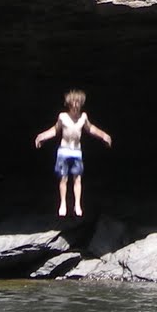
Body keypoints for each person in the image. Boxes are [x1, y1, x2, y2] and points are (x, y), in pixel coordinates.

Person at [33, 89, 113, 218]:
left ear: (81, 104)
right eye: (73, 103)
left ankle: (77, 204)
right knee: (63, 178)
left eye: (78, 103)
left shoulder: (83, 117)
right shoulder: (63, 117)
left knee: (77, 178)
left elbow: (91, 128)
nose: (76, 105)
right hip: (64, 150)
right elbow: (55, 130)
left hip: (76, 151)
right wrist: (42, 136)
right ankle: (63, 203)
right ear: (69, 104)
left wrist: (104, 135)